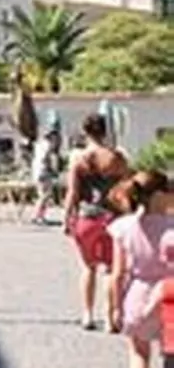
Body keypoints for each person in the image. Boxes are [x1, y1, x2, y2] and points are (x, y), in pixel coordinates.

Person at [105, 170, 173, 368]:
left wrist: (114, 307)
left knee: (139, 354)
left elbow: (117, 273)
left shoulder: (123, 227)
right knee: (171, 358)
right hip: (170, 294)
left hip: (138, 294)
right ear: (159, 195)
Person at [63, 113, 134, 330]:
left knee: (88, 267)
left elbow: (72, 193)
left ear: (85, 132)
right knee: (112, 269)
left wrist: (67, 218)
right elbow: (128, 189)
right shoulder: (118, 158)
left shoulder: (79, 159)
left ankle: (87, 315)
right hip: (113, 219)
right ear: (105, 131)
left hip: (87, 218)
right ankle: (110, 318)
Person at [29, 129, 64, 225]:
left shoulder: (39, 145)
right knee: (45, 195)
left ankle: (39, 215)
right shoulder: (48, 145)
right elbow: (46, 159)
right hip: (44, 172)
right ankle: (37, 216)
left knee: (43, 195)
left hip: (37, 171)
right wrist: (52, 170)